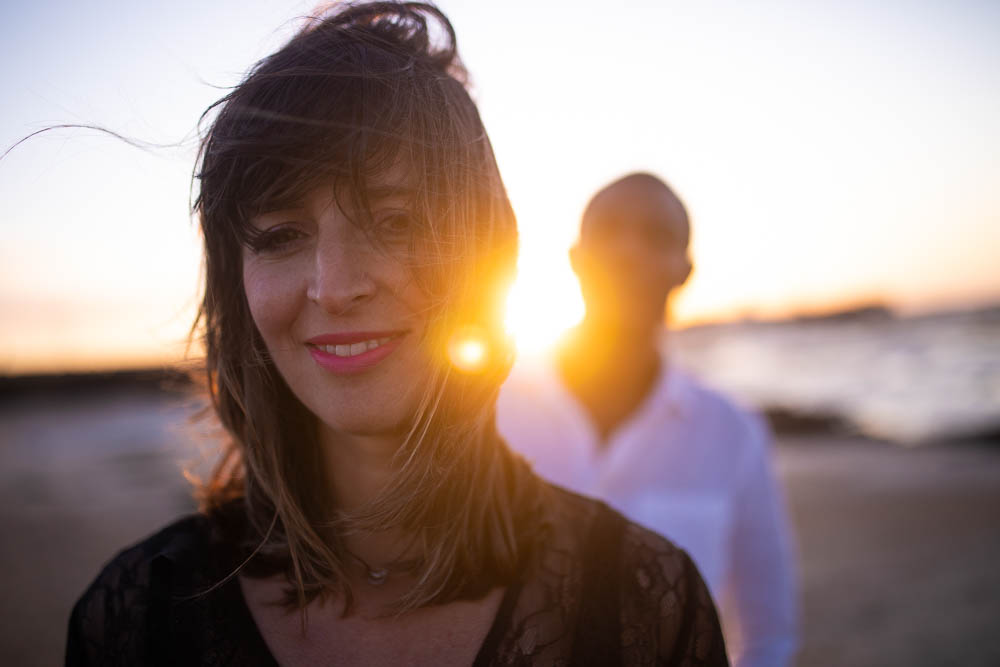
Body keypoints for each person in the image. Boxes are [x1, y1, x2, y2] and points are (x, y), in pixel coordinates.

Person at [64, 4, 728, 665]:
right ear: (235, 287)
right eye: (281, 234)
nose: (334, 286)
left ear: (486, 257)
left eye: (396, 222)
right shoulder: (137, 620)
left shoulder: (645, 606)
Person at [497, 173, 798, 667]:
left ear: (684, 270)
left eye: (656, 236)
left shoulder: (733, 434)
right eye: (609, 230)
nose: (628, 251)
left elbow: (768, 633)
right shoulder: (492, 413)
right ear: (575, 258)